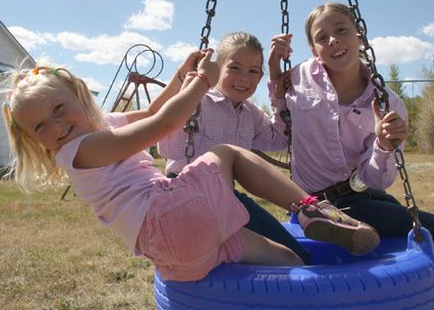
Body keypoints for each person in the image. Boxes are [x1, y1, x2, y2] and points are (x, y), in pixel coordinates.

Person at [0, 49, 378, 282]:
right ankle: (311, 209)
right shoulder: (80, 150)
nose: (56, 126)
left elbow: (151, 110)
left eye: (58, 110)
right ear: (35, 140)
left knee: (288, 260)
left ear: (79, 95)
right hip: (165, 214)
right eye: (41, 127)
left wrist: (182, 74)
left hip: (171, 250)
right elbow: (164, 124)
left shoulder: (104, 126)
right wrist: (202, 82)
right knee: (229, 152)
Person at [269, 2, 434, 310]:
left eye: (341, 30)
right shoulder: (300, 77)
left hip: (360, 196)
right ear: (314, 49)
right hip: (315, 199)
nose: (333, 41)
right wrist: (275, 67)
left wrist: (383, 144)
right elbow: (280, 109)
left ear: (360, 34)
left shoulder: (386, 104)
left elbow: (375, 180)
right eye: (322, 37)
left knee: (419, 223)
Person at [160, 32, 377, 262]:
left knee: (297, 254)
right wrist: (189, 90)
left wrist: (279, 94)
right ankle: (310, 212)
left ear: (260, 76)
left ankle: (318, 218)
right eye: (234, 68)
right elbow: (167, 148)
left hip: (227, 198)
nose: (244, 78)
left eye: (253, 71)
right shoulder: (199, 101)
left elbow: (280, 137)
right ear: (216, 69)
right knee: (272, 258)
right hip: (185, 198)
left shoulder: (250, 114)